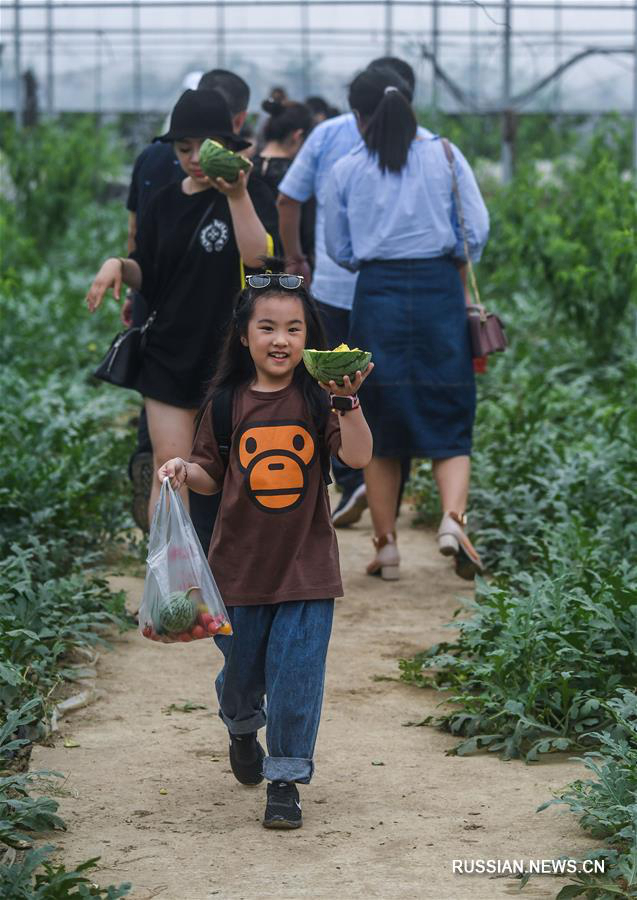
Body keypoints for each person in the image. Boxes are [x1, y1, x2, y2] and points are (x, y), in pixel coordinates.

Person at [157, 265, 373, 829]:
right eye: (269, 328)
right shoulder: (227, 403)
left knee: (297, 676)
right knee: (242, 677)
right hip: (239, 571)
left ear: (310, 338)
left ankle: (285, 780)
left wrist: (348, 404)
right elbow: (211, 470)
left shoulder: (319, 398)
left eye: (295, 329)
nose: (282, 340)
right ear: (245, 336)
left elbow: (358, 458)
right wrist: (184, 469)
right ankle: (240, 726)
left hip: (307, 568)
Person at [324, 66, 490, 581]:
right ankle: (452, 519)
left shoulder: (348, 167)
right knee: (449, 410)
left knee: (381, 419)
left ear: (358, 115)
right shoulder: (445, 154)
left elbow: (340, 249)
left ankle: (387, 547)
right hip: (440, 292)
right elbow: (476, 232)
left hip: (378, 296)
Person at [86, 88, 275, 526]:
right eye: (183, 148)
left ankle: (233, 579)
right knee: (170, 471)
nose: (193, 158)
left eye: (204, 148)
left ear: (229, 146)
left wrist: (238, 194)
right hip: (169, 352)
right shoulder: (164, 201)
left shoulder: (252, 193)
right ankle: (176, 592)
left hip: (235, 357)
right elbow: (148, 271)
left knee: (240, 472)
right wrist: (118, 265)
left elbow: (260, 261)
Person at [277, 57, 415, 528]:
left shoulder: (328, 134)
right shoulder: (424, 143)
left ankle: (343, 477)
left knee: (331, 383)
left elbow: (287, 198)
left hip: (336, 289)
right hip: (399, 294)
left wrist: (296, 257)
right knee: (392, 390)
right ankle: (385, 502)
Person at [251, 98, 314, 265]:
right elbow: (307, 231)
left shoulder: (245, 168)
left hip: (249, 264)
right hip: (290, 267)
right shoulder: (298, 175)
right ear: (298, 136)